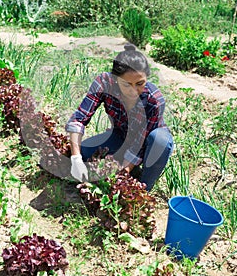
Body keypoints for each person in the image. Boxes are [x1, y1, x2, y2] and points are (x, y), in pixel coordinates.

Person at [65, 44, 174, 191]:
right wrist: (76, 158)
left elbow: (139, 144)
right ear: (116, 79)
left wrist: (121, 177)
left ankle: (144, 186)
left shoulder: (154, 100)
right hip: (120, 135)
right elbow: (79, 118)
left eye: (140, 84)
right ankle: (124, 164)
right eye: (127, 85)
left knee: (160, 140)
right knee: (83, 152)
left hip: (149, 143)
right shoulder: (104, 83)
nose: (134, 90)